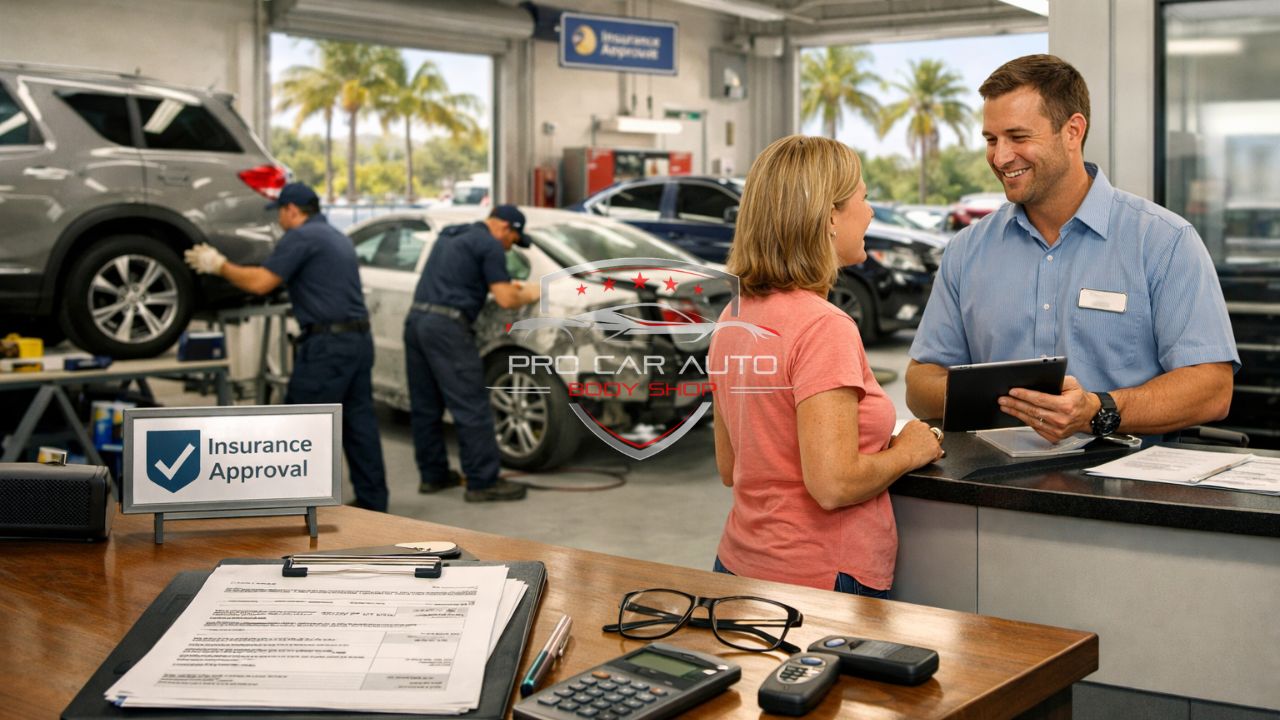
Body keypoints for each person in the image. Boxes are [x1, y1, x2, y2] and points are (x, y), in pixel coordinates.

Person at [906, 54, 1239, 442]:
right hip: (995, 483)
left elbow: (1213, 389)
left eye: (1018, 137)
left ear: (1072, 131)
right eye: (991, 140)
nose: (1000, 157)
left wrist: (1098, 410)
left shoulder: (1164, 241)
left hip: (1124, 487)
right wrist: (1011, 400)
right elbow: (918, 384)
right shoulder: (966, 251)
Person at [709, 135, 944, 596]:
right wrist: (909, 451)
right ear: (830, 217)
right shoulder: (824, 327)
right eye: (864, 196)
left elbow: (730, 466)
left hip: (740, 565)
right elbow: (833, 485)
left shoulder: (733, 317)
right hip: (821, 579)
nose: (871, 211)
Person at [184, 182, 389, 511]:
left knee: (300, 426)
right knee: (358, 422)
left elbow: (261, 283)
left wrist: (217, 264)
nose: (279, 219)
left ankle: (295, 505)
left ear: (292, 210)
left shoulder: (301, 237)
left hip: (328, 346)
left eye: (280, 212)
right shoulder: (335, 236)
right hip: (358, 341)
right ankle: (374, 504)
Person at [405, 204, 539, 502]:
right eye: (513, 241)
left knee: (426, 405)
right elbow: (505, 299)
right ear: (505, 228)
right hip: (447, 328)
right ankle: (482, 482)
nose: (509, 248)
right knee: (472, 404)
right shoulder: (490, 244)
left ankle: (433, 476)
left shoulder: (452, 235)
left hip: (416, 322)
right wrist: (532, 292)